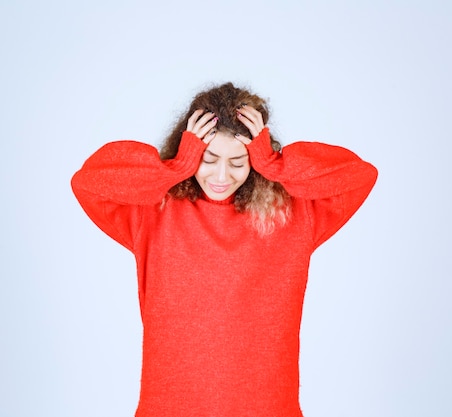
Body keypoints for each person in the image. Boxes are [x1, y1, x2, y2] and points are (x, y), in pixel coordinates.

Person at [71, 82, 378, 417]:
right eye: (208, 158)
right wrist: (175, 167)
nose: (221, 175)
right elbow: (88, 182)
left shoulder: (290, 215)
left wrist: (274, 163)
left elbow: (359, 175)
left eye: (238, 161)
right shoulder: (155, 212)